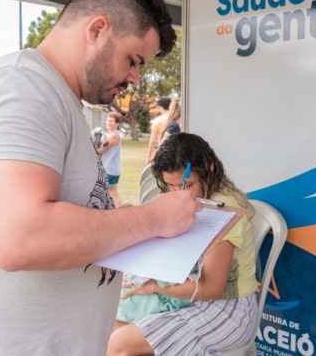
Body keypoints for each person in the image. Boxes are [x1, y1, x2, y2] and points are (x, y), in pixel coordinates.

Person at [0, 0, 200, 355]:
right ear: (98, 29)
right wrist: (152, 219)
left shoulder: (53, 96)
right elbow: (19, 236)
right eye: (133, 60)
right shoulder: (20, 88)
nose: (134, 77)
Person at [107, 133, 259, 356]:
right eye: (171, 186)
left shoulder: (223, 208)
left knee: (119, 345)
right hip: (188, 300)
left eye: (187, 184)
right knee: (114, 324)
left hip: (227, 311)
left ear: (210, 169)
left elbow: (211, 289)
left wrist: (155, 286)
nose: (179, 194)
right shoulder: (193, 198)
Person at [99, 111, 123, 206]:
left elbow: (101, 150)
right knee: (109, 193)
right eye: (107, 120)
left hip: (110, 170)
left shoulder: (114, 136)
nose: (108, 122)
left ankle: (121, 213)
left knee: (112, 193)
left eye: (112, 121)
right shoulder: (108, 134)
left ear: (117, 123)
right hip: (108, 169)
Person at [146, 96, 171, 163]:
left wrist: (149, 157)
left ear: (161, 108)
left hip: (161, 152)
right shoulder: (177, 119)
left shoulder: (157, 121)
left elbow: (152, 141)